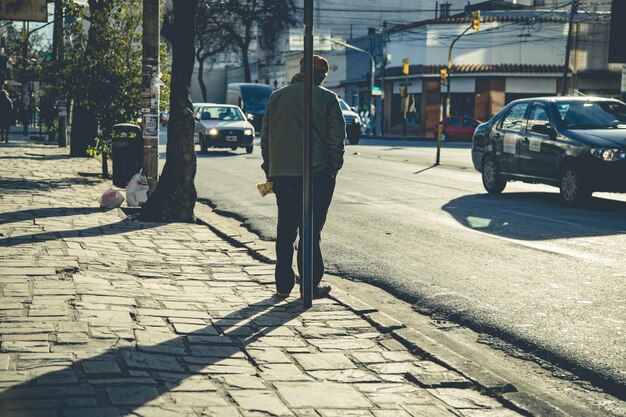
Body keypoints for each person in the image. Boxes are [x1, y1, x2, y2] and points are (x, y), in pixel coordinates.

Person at [261, 54, 346, 299]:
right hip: (316, 173)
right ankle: (309, 284)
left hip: (282, 173)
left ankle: (283, 284)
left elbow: (265, 138)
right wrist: (333, 167)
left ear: (300, 70)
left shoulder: (276, 97)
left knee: (285, 229)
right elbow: (335, 139)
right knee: (310, 230)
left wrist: (270, 169)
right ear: (321, 76)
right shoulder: (328, 98)